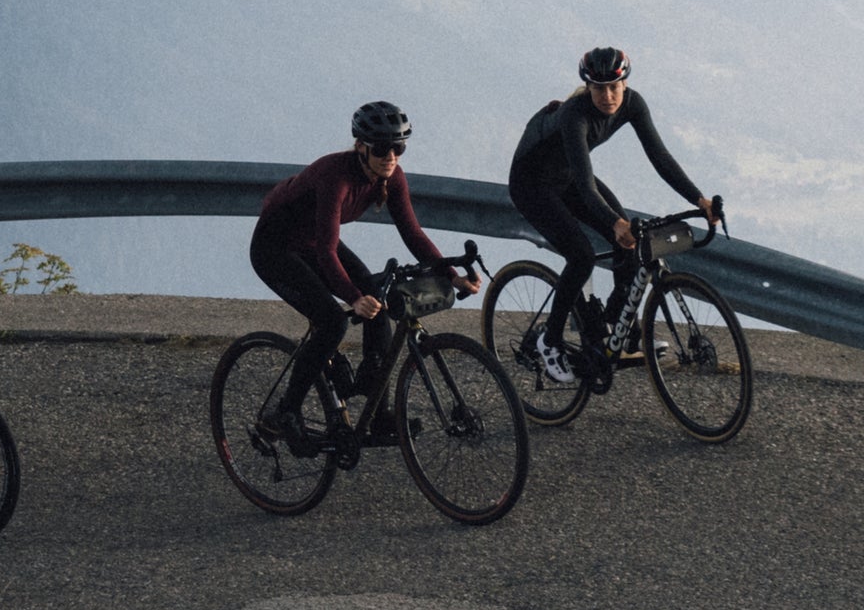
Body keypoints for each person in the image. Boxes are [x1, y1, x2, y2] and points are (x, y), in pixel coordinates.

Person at [248, 102, 476, 444]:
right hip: (274, 248)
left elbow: (413, 233)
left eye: (398, 148)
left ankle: (379, 414)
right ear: (360, 147)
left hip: (313, 242)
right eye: (382, 149)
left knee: (378, 302)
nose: (391, 157)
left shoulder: (392, 177)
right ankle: (285, 411)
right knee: (332, 322)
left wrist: (452, 275)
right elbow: (327, 252)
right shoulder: (335, 177)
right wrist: (354, 298)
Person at [506, 47, 722, 376]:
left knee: (631, 245)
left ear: (625, 84)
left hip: (568, 178)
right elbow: (586, 184)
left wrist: (699, 200)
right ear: (588, 87)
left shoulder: (633, 104)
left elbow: (660, 157)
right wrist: (615, 222)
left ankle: (615, 330)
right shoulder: (574, 114)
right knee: (581, 256)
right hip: (531, 184)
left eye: (614, 87)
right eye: (599, 88)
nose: (607, 96)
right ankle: (549, 341)